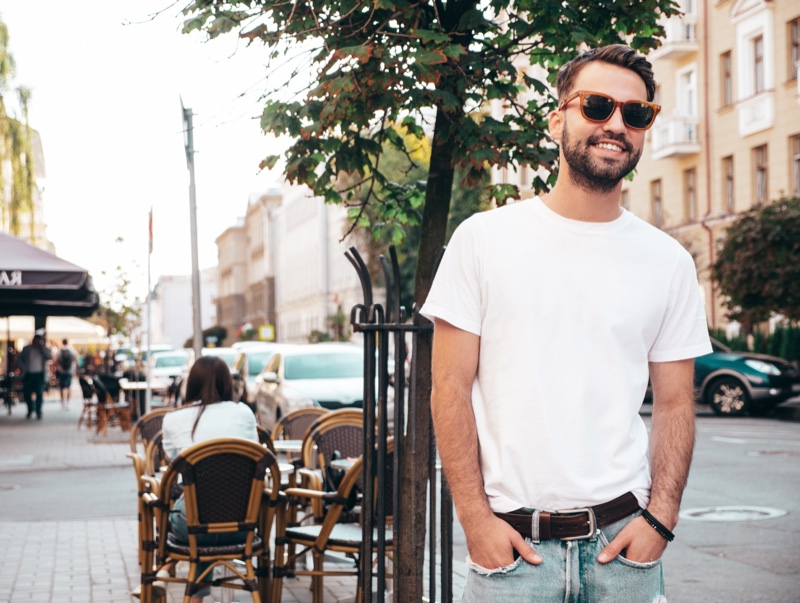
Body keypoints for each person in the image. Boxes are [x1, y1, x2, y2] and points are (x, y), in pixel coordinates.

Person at [421, 44, 712, 601]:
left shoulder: (668, 261)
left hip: (624, 549)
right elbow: (449, 389)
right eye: (597, 106)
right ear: (558, 119)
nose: (616, 125)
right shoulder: (483, 241)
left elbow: (676, 403)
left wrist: (661, 519)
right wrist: (475, 523)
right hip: (513, 554)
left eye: (636, 113)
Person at [160, 355, 259, 602]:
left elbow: (174, 464)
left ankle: (168, 571)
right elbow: (254, 458)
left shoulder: (173, 419)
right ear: (227, 383)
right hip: (242, 524)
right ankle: (177, 577)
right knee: (208, 506)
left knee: (194, 508)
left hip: (194, 526)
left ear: (191, 384)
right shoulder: (243, 413)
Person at [18, 333, 53, 420]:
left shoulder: (44, 349)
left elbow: (49, 357)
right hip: (28, 374)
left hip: (39, 374)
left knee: (39, 393)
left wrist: (43, 350)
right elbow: (19, 359)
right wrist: (22, 367)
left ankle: (38, 411)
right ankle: (30, 409)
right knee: (26, 393)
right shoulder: (26, 349)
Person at [55, 339, 77, 410]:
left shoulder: (59, 351)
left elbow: (55, 360)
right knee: (68, 387)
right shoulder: (72, 350)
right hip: (70, 371)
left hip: (61, 371)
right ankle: (67, 403)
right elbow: (75, 359)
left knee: (61, 387)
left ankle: (62, 403)